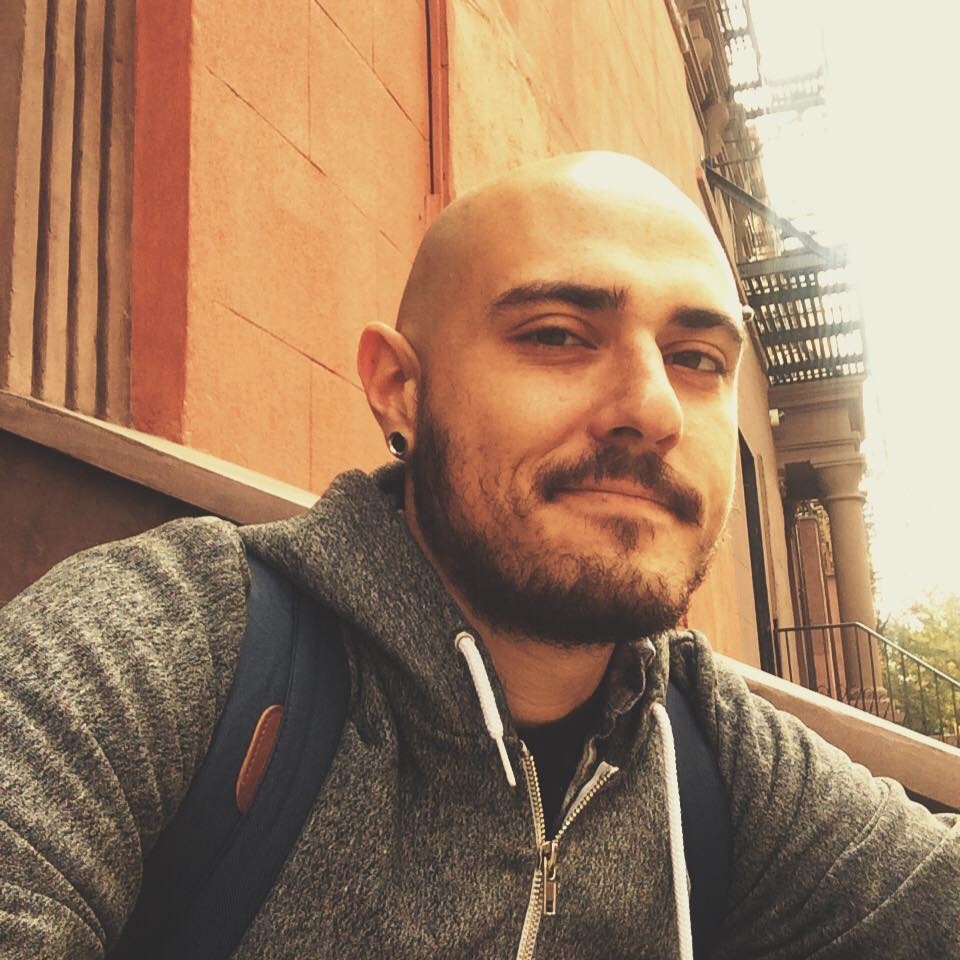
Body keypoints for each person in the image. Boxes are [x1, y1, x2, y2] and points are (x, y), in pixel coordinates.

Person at [1, 152, 957, 960]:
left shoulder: (713, 758)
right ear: (399, 389)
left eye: (698, 359)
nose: (654, 407)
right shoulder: (177, 651)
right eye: (558, 336)